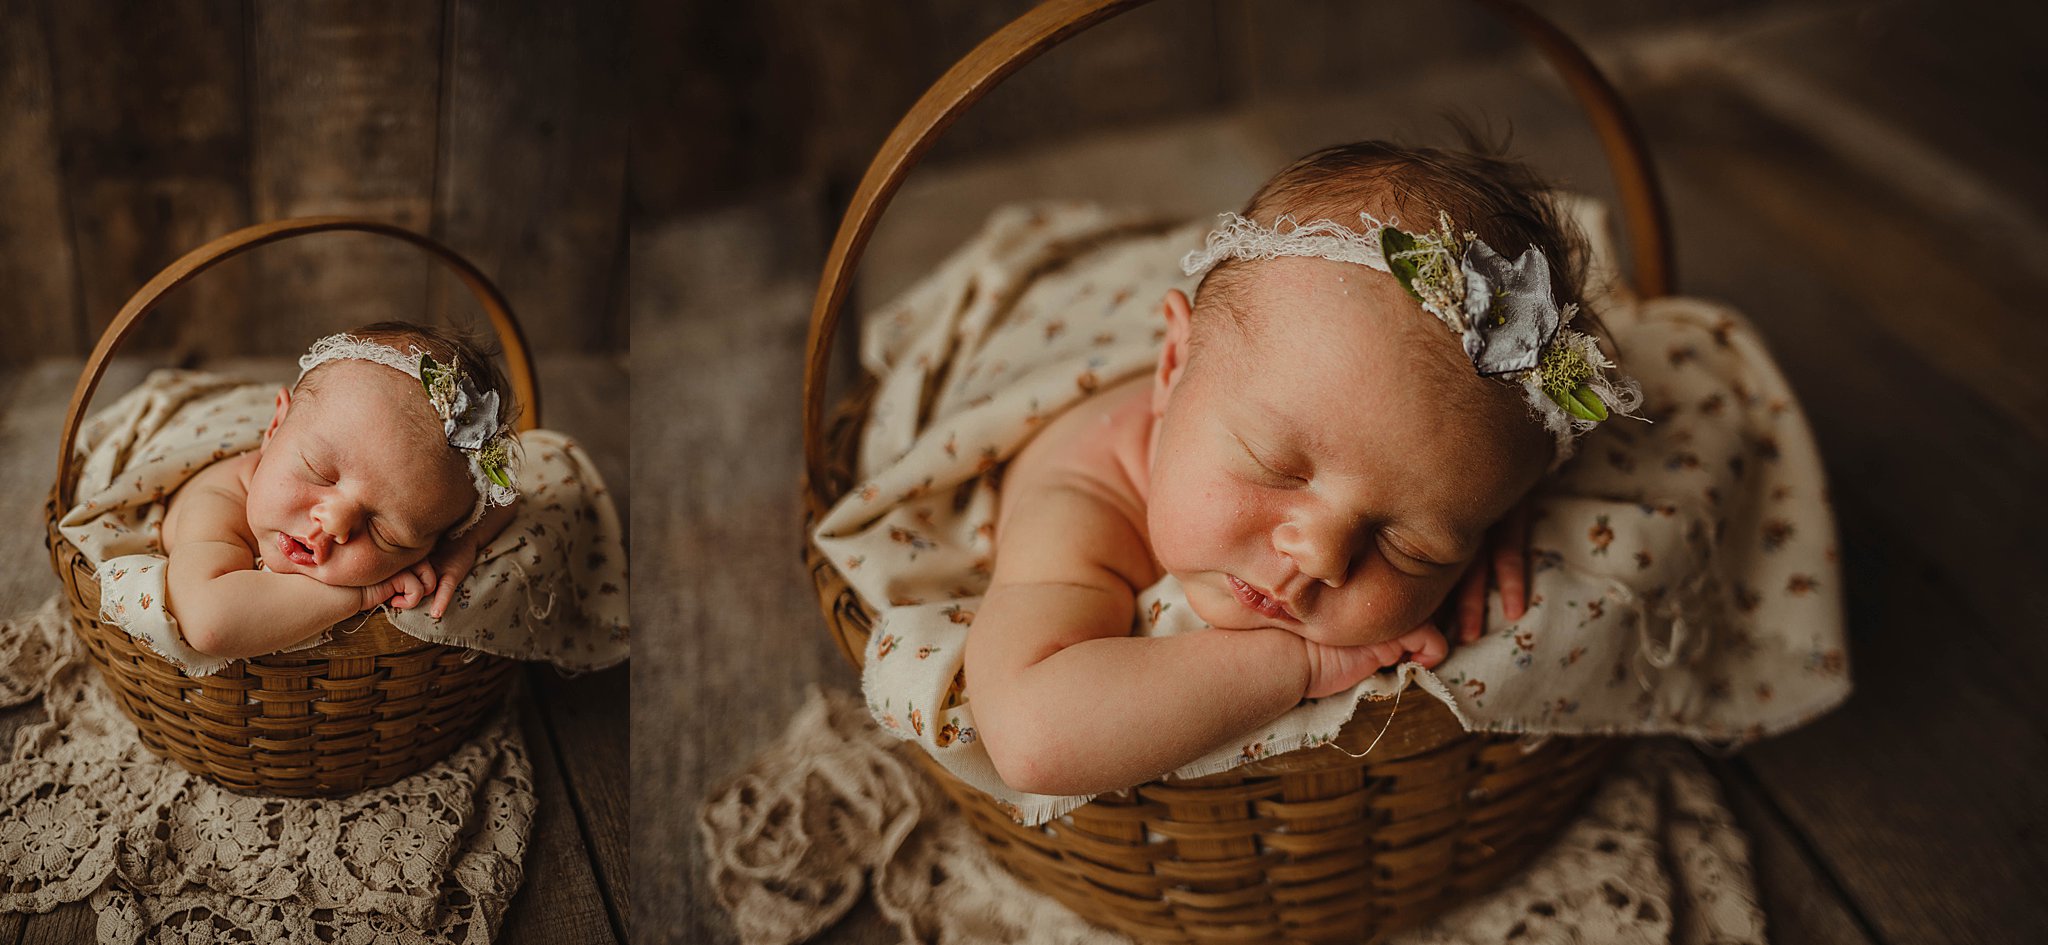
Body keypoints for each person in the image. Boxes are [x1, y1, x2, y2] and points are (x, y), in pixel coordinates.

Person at [964, 142, 1640, 796]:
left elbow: (1461, 429)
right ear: (1171, 368)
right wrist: (1301, 663)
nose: (1320, 555)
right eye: (1276, 469)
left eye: (1410, 543)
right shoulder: (1081, 501)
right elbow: (1030, 738)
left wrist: (1493, 495)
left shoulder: (1359, 435)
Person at [160, 322, 521, 660]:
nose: (334, 522)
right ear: (273, 428)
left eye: (386, 533)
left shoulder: (425, 502)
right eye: (319, 474)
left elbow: (508, 500)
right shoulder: (217, 504)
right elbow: (209, 624)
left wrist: (462, 544)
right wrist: (363, 593)